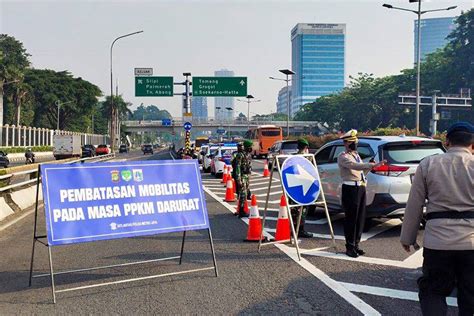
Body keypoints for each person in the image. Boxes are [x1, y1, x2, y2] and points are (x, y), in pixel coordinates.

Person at [400, 122, 474, 316]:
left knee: (433, 291)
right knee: (470, 295)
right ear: (472, 144)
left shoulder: (429, 163)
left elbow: (414, 204)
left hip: (438, 242)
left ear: (447, 142)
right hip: (471, 243)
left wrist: (407, 237)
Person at [337, 129, 385, 258]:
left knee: (360, 218)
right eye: (352, 142)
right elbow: (354, 166)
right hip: (350, 189)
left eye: (356, 142)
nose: (355, 145)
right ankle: (349, 246)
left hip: (360, 188)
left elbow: (361, 173)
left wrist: (370, 167)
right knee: (351, 219)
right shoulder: (343, 156)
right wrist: (369, 165)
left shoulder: (356, 155)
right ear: (346, 143)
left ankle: (356, 245)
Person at [289, 138, 313, 238]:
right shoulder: (307, 158)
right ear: (306, 147)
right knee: (302, 209)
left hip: (293, 186)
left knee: (294, 209)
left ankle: (293, 229)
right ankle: (300, 230)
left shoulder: (292, 157)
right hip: (303, 186)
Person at [232, 140, 253, 217]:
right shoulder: (240, 155)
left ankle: (242, 209)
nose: (251, 148)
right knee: (243, 194)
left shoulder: (248, 155)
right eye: (250, 147)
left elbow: (249, 166)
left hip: (247, 176)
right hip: (242, 177)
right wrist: (238, 179)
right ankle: (241, 211)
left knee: (245, 194)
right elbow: (237, 167)